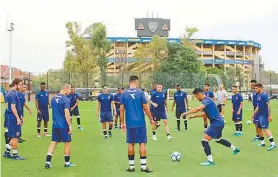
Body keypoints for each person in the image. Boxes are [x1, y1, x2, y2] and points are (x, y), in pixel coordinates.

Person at [182, 88, 240, 166]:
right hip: (219, 123)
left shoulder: (206, 101)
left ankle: (210, 161)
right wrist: (194, 116)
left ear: (199, 94)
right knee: (218, 139)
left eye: (196, 96)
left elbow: (198, 108)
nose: (196, 98)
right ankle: (235, 148)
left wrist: (187, 113)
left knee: (204, 140)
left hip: (216, 123)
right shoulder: (207, 101)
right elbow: (204, 113)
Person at [120, 75, 154, 173]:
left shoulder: (124, 93)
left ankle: (131, 167)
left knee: (131, 143)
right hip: (140, 123)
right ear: (136, 81)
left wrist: (122, 123)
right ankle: (143, 167)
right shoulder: (140, 92)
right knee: (142, 143)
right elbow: (145, 107)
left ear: (129, 82)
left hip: (130, 123)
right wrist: (151, 118)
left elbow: (121, 109)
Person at [45, 83, 75, 169]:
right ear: (65, 89)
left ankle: (47, 162)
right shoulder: (66, 99)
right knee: (67, 143)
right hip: (64, 125)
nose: (70, 91)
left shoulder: (53, 99)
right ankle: (67, 163)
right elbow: (66, 113)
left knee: (53, 142)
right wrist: (70, 125)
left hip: (55, 125)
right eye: (69, 89)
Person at [3, 78, 26, 160]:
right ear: (15, 84)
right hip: (13, 118)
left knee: (13, 136)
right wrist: (17, 118)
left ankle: (7, 152)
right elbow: (13, 107)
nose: (21, 86)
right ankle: (15, 155)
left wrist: (20, 116)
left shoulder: (13, 93)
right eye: (20, 84)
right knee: (15, 136)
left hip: (13, 117)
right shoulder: (12, 94)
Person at [252, 83, 276, 151]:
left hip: (264, 115)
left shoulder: (264, 95)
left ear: (260, 88)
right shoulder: (258, 95)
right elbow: (258, 106)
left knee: (265, 129)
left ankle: (273, 144)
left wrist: (270, 115)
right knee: (258, 128)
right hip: (260, 115)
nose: (255, 90)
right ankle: (262, 143)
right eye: (254, 89)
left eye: (256, 88)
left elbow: (268, 105)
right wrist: (254, 113)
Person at [3, 84, 12, 150]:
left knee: (11, 130)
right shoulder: (8, 95)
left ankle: (9, 144)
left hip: (11, 114)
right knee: (8, 129)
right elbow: (7, 106)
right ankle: (7, 145)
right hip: (8, 114)